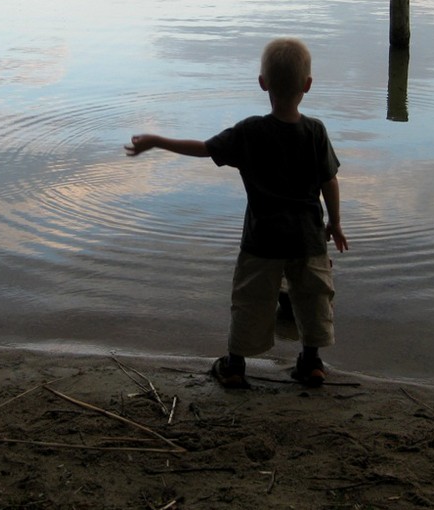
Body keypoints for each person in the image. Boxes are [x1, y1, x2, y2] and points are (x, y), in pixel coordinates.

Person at [126, 38, 348, 388]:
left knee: (251, 301)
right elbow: (329, 181)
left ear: (262, 83)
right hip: (307, 238)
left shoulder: (251, 132)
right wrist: (334, 224)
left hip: (262, 240)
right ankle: (312, 362)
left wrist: (158, 141)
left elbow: (204, 149)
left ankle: (235, 366)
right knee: (313, 298)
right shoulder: (315, 131)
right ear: (308, 85)